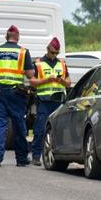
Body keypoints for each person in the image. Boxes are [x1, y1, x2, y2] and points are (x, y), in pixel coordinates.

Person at [0, 25, 35, 167]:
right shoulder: (23, 52)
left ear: (5, 36)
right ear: (18, 37)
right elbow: (30, 74)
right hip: (16, 94)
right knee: (19, 125)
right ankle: (21, 159)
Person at [29, 37, 70, 166]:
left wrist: (62, 81)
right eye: (52, 52)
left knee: (59, 130)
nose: (54, 55)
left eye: (56, 53)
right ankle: (36, 156)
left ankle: (57, 156)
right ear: (47, 49)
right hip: (44, 101)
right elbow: (32, 81)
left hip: (58, 101)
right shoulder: (38, 63)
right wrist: (46, 80)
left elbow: (69, 83)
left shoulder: (62, 64)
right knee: (40, 129)